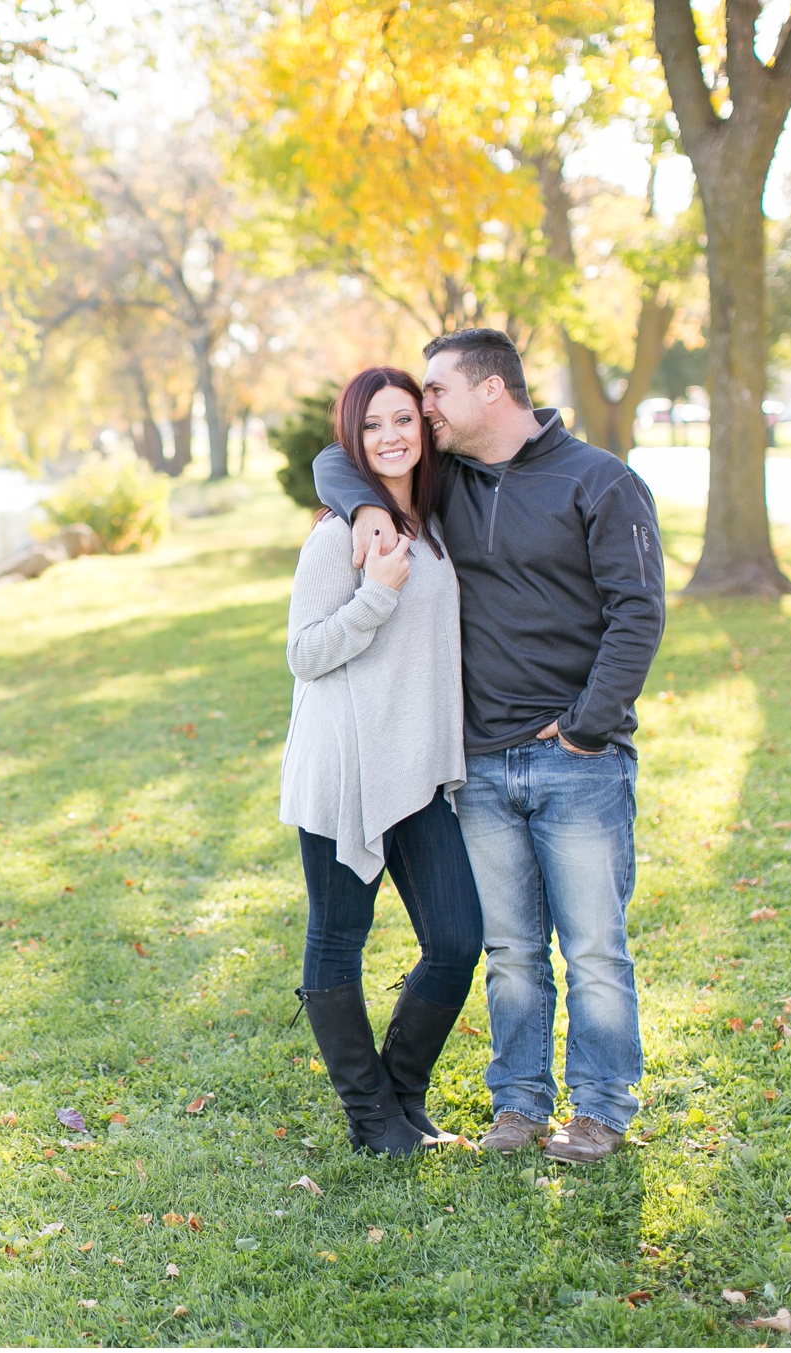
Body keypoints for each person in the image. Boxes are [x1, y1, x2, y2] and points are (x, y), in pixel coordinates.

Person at [313, 328, 664, 1163]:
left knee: (593, 950)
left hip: (578, 760)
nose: (423, 410)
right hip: (477, 766)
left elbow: (638, 614)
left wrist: (585, 726)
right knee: (510, 951)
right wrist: (364, 504)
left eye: (434, 393)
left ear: (492, 392)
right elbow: (343, 462)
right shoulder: (450, 486)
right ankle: (518, 1105)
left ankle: (602, 1110)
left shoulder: (601, 482)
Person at [281, 366, 483, 1158]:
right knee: (338, 937)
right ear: (352, 440)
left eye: (405, 419)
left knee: (457, 939)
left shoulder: (429, 522)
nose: (392, 435)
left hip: (416, 769)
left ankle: (402, 1092)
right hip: (344, 769)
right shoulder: (338, 536)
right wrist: (375, 595)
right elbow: (304, 653)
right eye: (373, 425)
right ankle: (372, 1119)